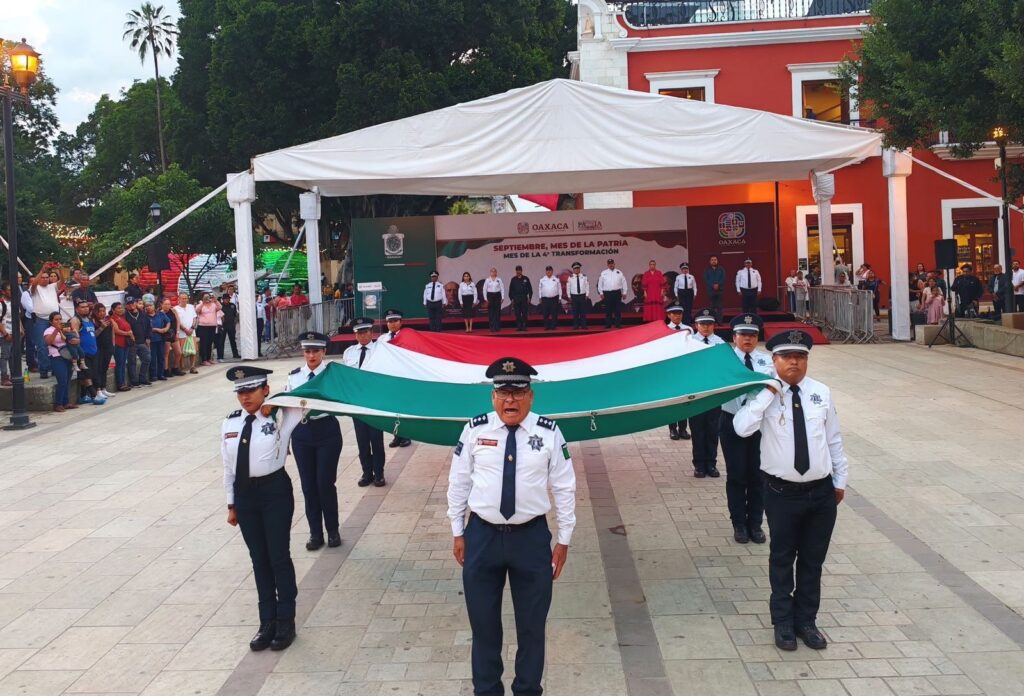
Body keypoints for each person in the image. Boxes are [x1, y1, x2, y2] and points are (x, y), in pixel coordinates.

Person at [448, 356, 576, 696]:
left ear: (531, 396)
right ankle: (487, 691)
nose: (510, 400)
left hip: (531, 538)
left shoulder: (549, 433)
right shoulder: (474, 430)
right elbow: (458, 482)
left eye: (518, 393)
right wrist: (457, 531)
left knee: (532, 627)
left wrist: (564, 539)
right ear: (492, 397)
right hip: (482, 536)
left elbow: (565, 486)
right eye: (503, 392)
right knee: (484, 626)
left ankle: (527, 690)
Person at [733, 330, 848, 652]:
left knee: (813, 560)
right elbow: (741, 428)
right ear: (774, 360)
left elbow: (834, 439)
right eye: (786, 356)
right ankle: (782, 622)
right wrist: (768, 392)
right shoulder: (762, 392)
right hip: (782, 492)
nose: (794, 362)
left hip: (821, 492)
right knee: (782, 558)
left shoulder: (820, 392)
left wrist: (840, 481)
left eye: (800, 356)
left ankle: (806, 621)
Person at [222, 366, 303, 652]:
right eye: (240, 392)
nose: (245, 397)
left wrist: (276, 402)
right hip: (246, 498)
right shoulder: (230, 423)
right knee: (259, 559)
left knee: (278, 557)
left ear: (265, 389)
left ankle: (286, 620)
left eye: (251, 390)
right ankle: (266, 621)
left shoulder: (283, 417)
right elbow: (228, 468)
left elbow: (304, 398)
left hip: (275, 492)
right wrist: (232, 505)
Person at [719, 314, 774, 545]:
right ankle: (739, 524)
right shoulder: (725, 360)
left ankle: (756, 524)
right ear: (734, 337)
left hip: (760, 425)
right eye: (743, 335)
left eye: (752, 335)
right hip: (731, 420)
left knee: (758, 475)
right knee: (736, 474)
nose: (748, 339)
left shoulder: (767, 361)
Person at [286, 332, 343, 551]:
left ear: (324, 352)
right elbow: (289, 407)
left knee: (324, 483)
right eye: (307, 351)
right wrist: (286, 438)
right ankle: (315, 533)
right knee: (308, 486)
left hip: (326, 431)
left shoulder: (331, 374)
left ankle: (333, 530)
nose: (311, 356)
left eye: (316, 351)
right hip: (302, 433)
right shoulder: (295, 376)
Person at [343, 318, 387, 486]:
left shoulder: (380, 350)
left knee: (376, 439)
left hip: (374, 402)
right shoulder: (349, 352)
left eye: (365, 332)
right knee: (362, 440)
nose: (361, 336)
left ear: (371, 332)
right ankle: (366, 473)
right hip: (357, 403)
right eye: (358, 333)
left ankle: (379, 474)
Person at [690, 308, 725, 478]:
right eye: (702, 324)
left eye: (709, 324)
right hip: (696, 394)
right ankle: (699, 465)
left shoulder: (720, 343)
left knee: (712, 430)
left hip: (714, 394)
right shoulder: (688, 342)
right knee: (697, 430)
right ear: (696, 325)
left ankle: (711, 463)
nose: (706, 327)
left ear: (714, 326)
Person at [69, 300, 105, 405]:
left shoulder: (89, 320)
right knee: (86, 375)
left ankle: (83, 396)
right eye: (82, 307)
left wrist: (102, 328)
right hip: (83, 352)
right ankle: (94, 395)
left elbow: (93, 335)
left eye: (86, 307)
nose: (85, 308)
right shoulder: (75, 320)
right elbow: (73, 337)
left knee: (90, 374)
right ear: (77, 309)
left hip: (93, 351)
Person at [665, 305, 692, 441]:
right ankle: (672, 429)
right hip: (671, 369)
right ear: (669, 315)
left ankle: (683, 428)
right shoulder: (665, 330)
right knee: (673, 400)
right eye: (674, 314)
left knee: (684, 400)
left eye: (679, 313)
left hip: (685, 368)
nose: (677, 316)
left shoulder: (688, 329)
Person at [29, 263, 61, 379]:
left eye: (47, 277)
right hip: (41, 320)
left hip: (54, 320)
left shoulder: (52, 286)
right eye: (43, 277)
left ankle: (54, 368)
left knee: (57, 344)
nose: (45, 279)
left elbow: (62, 282)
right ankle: (44, 370)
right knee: (42, 346)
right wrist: (42, 270)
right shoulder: (35, 288)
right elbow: (33, 284)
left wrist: (60, 270)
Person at [43, 312, 76, 412]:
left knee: (67, 379)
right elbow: (48, 342)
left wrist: (71, 333)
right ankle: (58, 403)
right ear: (51, 321)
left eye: (60, 319)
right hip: (56, 356)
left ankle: (66, 402)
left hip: (67, 355)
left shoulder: (65, 326)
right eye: (56, 320)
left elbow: (74, 330)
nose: (59, 321)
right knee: (62, 380)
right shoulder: (48, 330)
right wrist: (57, 330)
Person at [124, 298, 152, 387]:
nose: (131, 305)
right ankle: (134, 381)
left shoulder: (143, 314)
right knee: (132, 362)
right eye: (128, 304)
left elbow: (148, 326)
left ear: (135, 303)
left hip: (142, 341)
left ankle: (142, 378)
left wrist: (148, 337)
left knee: (147, 358)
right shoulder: (125, 315)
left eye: (132, 303)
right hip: (131, 343)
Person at [91, 303, 115, 398]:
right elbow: (94, 335)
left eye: (103, 311)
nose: (102, 313)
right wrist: (102, 327)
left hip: (108, 347)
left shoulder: (108, 320)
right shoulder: (93, 322)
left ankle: (104, 388)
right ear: (95, 312)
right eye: (99, 311)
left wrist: (113, 345)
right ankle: (98, 390)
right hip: (99, 347)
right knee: (98, 369)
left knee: (105, 368)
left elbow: (112, 333)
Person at [598, 258, 628, 329]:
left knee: (617, 309)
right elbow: (600, 284)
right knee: (608, 309)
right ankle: (608, 324)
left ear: (614, 264)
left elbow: (624, 283)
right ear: (607, 265)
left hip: (617, 292)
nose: (611, 265)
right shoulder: (603, 273)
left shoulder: (619, 272)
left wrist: (624, 292)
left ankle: (618, 324)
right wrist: (601, 293)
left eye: (612, 263)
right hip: (607, 293)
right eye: (609, 264)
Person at [173, 292, 199, 375]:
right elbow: (177, 321)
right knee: (182, 351)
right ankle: (182, 367)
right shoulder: (175, 309)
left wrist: (192, 328)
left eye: (185, 298)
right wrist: (184, 329)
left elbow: (195, 318)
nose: (184, 300)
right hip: (181, 333)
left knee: (193, 350)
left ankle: (192, 367)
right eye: (182, 298)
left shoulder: (191, 307)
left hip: (192, 332)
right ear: (179, 299)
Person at [196, 293, 221, 366]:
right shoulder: (200, 304)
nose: (207, 298)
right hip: (203, 326)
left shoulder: (213, 304)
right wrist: (203, 303)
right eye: (205, 297)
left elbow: (220, 307)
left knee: (210, 343)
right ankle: (204, 360)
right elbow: (197, 311)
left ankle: (209, 358)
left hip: (212, 326)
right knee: (204, 343)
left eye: (208, 297)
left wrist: (216, 301)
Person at [149, 301, 170, 381]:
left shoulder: (160, 314)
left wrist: (165, 329)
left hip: (161, 339)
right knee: (153, 358)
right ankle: (153, 375)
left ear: (154, 306)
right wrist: (156, 329)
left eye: (150, 305)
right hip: (151, 340)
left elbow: (168, 321)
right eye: (147, 306)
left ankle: (161, 374)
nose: (149, 307)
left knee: (161, 357)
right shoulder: (145, 316)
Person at [508, 266, 532, 332]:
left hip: (524, 298)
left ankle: (524, 326)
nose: (518, 271)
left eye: (519, 270)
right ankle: (519, 327)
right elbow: (510, 290)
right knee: (517, 314)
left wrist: (530, 297)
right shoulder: (513, 279)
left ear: (522, 271)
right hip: (516, 299)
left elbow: (530, 289)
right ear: (516, 271)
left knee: (524, 313)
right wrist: (511, 299)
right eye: (517, 270)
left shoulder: (526, 279)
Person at [567, 262, 589, 330]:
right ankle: (575, 325)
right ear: (573, 270)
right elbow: (568, 287)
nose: (576, 270)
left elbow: (587, 286)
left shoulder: (584, 276)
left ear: (580, 269)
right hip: (574, 296)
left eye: (578, 268)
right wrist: (569, 296)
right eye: (575, 269)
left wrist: (587, 294)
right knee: (575, 312)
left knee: (582, 311)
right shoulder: (570, 277)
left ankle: (583, 325)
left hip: (582, 296)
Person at [538, 266, 560, 331]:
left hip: (554, 298)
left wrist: (560, 297)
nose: (548, 272)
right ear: (546, 271)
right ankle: (546, 326)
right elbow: (540, 289)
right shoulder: (542, 279)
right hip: (545, 299)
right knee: (545, 313)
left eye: (550, 270)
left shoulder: (556, 279)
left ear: (552, 271)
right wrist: (540, 297)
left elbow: (559, 289)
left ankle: (553, 326)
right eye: (547, 270)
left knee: (554, 313)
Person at [704, 256, 726, 322]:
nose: (714, 261)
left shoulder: (721, 269)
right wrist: (712, 285)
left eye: (715, 260)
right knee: (711, 306)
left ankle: (720, 321)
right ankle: (712, 321)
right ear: (710, 261)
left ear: (717, 261)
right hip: (711, 290)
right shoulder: (707, 269)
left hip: (720, 290)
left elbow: (723, 278)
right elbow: (706, 279)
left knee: (719, 307)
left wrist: (718, 284)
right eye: (712, 260)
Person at [0, 282, 14, 386]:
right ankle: (4, 377)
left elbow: (17, 317)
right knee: (5, 356)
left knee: (13, 355)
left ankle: (14, 375)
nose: (11, 292)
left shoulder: (13, 302)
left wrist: (21, 330)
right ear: (3, 292)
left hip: (15, 333)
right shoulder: (1, 304)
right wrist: (5, 334)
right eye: (9, 290)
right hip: (5, 334)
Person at [483, 268, 505, 333]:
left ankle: (497, 327)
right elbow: (484, 289)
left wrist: (502, 297)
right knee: (491, 312)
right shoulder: (487, 280)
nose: (493, 272)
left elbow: (502, 288)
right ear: (490, 273)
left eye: (494, 271)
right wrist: (485, 298)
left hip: (497, 296)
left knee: (497, 312)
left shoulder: (499, 279)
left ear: (496, 272)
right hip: (490, 296)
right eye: (492, 271)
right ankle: (492, 327)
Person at [218, 294, 240, 359]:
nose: (227, 300)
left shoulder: (232, 305)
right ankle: (220, 356)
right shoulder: (220, 306)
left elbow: (235, 314)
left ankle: (235, 354)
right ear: (223, 299)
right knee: (221, 341)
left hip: (231, 325)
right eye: (225, 299)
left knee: (233, 340)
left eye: (228, 298)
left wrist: (234, 322)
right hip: (223, 325)